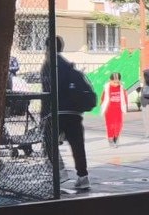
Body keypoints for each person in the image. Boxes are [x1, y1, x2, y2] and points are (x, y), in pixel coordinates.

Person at [41, 36, 96, 190]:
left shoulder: (48, 66)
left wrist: (43, 115)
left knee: (49, 141)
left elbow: (46, 92)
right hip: (74, 112)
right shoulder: (69, 66)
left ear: (47, 48)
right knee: (77, 145)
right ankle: (83, 176)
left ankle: (60, 171)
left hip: (56, 112)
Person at [100, 72, 129, 146]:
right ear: (110, 80)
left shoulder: (121, 87)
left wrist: (125, 106)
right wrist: (102, 106)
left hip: (118, 109)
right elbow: (103, 98)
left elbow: (125, 97)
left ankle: (116, 137)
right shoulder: (107, 88)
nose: (116, 84)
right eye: (114, 82)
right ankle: (110, 139)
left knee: (119, 125)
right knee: (110, 125)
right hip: (109, 109)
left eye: (117, 82)